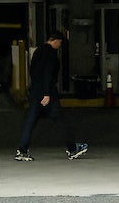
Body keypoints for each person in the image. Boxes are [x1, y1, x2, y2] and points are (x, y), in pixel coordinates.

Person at [16, 31, 90, 160]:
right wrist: (46, 93)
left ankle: (22, 150)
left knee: (30, 121)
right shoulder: (50, 53)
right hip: (48, 92)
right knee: (60, 119)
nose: (59, 46)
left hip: (35, 91)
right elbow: (48, 73)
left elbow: (34, 72)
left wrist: (37, 91)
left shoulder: (38, 52)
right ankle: (73, 148)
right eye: (59, 43)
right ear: (55, 41)